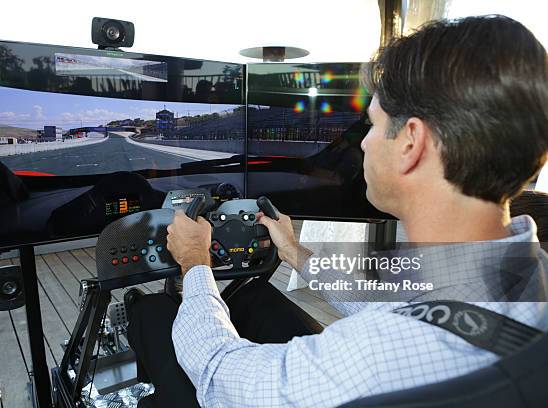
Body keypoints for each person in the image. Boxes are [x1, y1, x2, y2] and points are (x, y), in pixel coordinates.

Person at [126, 15, 548, 407]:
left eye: (373, 125)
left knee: (154, 317)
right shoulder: (525, 270)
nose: (362, 143)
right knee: (253, 298)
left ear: (410, 143)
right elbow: (399, 302)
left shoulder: (377, 353)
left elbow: (218, 373)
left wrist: (195, 262)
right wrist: (293, 252)